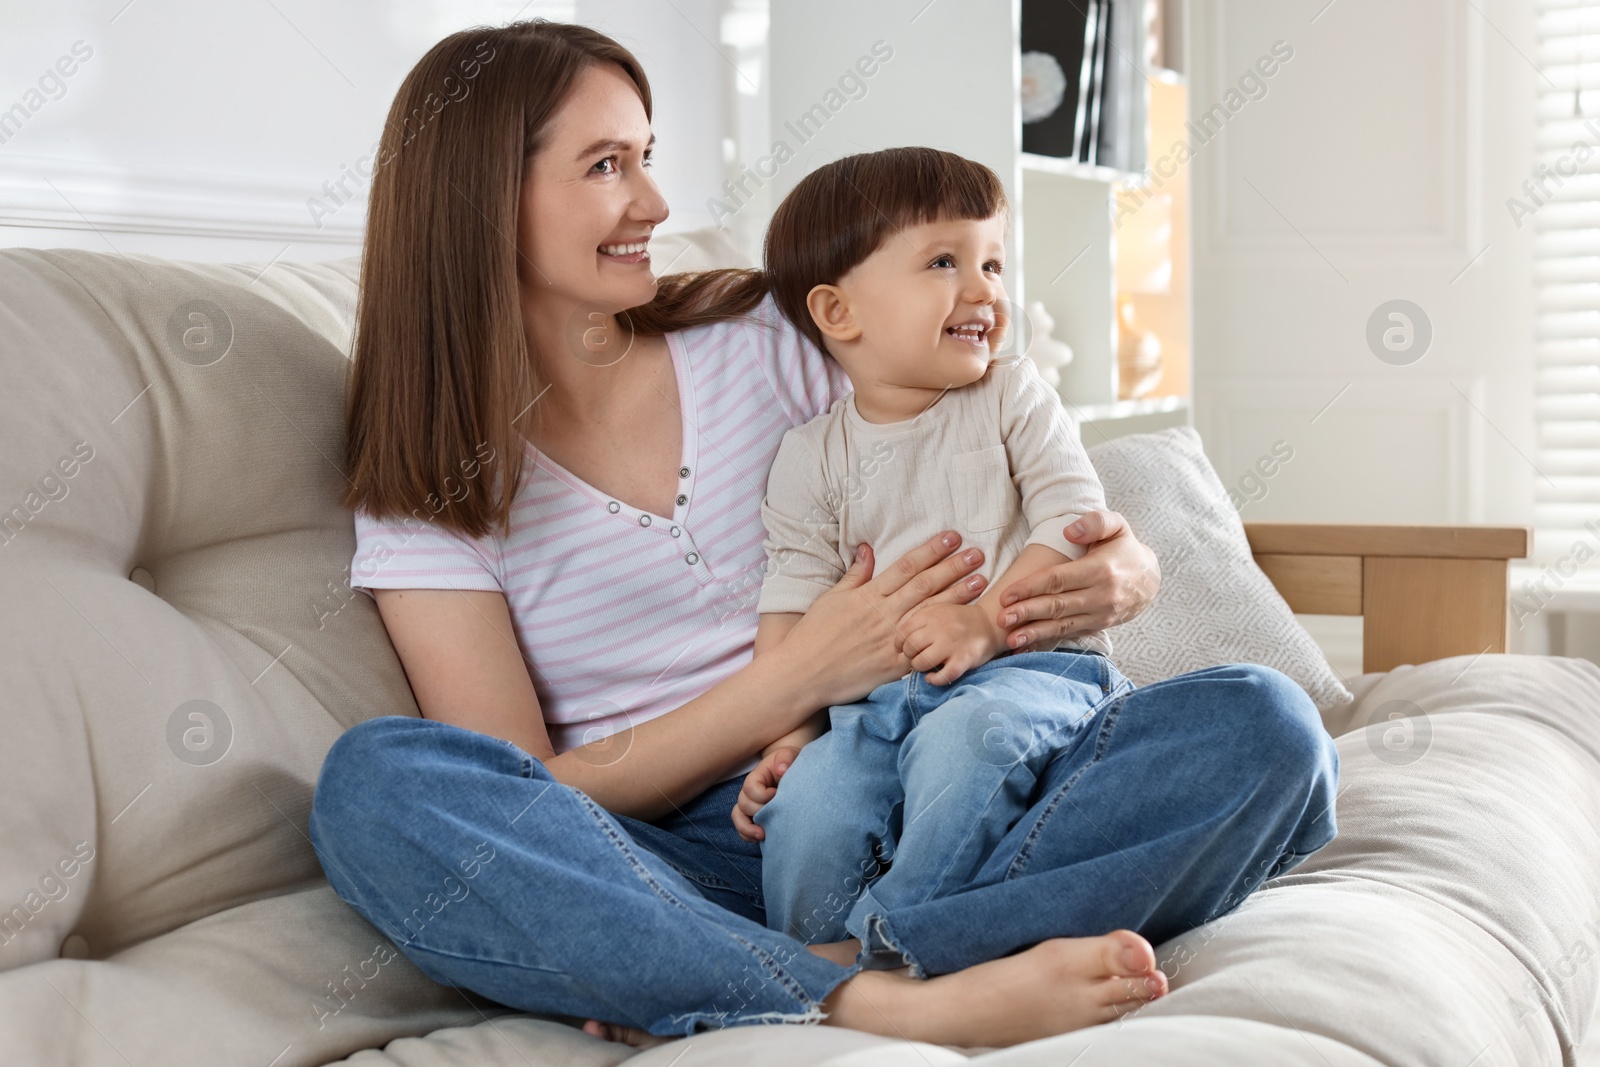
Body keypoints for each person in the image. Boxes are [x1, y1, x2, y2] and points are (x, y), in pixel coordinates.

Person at [307, 18, 1340, 1051]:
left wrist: (1125, 564)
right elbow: (524, 789)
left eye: (647, 157)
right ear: (485, 197)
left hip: (940, 766)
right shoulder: (424, 486)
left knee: (1264, 727)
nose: (655, 204)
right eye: (607, 165)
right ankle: (901, 992)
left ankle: (791, 966)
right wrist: (785, 686)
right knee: (377, 786)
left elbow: (1016, 465)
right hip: (680, 858)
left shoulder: (767, 339)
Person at [736, 146, 1133, 963]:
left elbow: (1075, 516)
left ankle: (889, 952)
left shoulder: (1013, 394)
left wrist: (985, 623)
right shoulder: (811, 456)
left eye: (993, 261)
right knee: (811, 807)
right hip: (871, 708)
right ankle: (803, 967)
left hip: (1029, 674)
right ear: (839, 313)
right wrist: (783, 740)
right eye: (946, 261)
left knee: (967, 744)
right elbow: (792, 610)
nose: (987, 288)